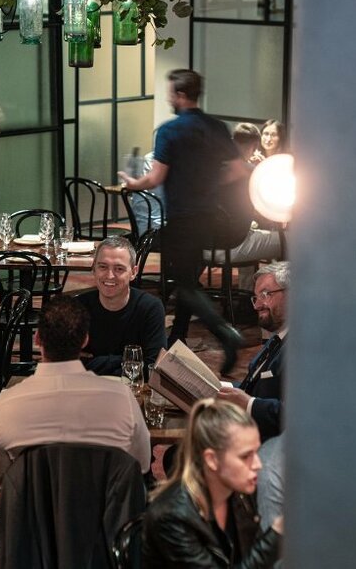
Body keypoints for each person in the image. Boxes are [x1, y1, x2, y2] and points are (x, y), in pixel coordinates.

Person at [119, 69, 249, 374]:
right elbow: (239, 171)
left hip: (181, 218)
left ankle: (225, 333)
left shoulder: (169, 131)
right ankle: (175, 340)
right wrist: (210, 184)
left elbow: (156, 177)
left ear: (179, 95)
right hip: (211, 217)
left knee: (185, 285)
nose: (168, 97)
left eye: (169, 93)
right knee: (189, 279)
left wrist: (131, 183)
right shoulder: (217, 127)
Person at [0, 295, 151, 490]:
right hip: (104, 515)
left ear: (37, 338)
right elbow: (142, 464)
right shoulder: (122, 399)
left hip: (34, 517)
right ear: (85, 340)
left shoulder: (5, 404)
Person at [143, 399, 282, 568]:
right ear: (212, 460)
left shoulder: (240, 494)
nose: (258, 464)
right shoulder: (171, 517)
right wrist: (276, 534)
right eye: (246, 456)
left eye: (256, 452)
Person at [76, 236, 166, 377]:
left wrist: (95, 363)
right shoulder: (78, 307)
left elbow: (152, 368)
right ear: (94, 268)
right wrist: (129, 361)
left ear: (133, 272)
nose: (110, 275)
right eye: (103, 267)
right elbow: (67, 365)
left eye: (119, 269)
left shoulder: (150, 308)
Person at [218, 261, 289, 440]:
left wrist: (249, 404)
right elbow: (253, 386)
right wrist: (214, 386)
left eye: (266, 294)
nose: (257, 305)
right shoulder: (277, 338)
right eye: (256, 297)